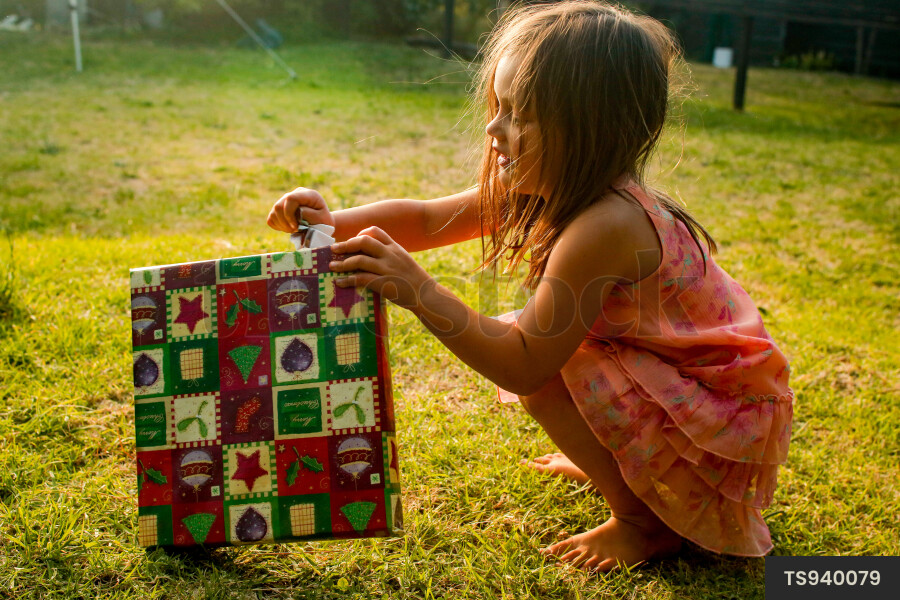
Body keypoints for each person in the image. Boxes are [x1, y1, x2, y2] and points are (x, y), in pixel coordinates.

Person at [266, 0, 793, 572]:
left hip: (718, 417)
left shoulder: (606, 225)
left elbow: (522, 366)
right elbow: (423, 219)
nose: (494, 127)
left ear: (591, 126)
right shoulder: (559, 184)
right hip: (681, 384)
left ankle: (643, 524)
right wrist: (329, 221)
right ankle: (619, 465)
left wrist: (419, 291)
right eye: (498, 105)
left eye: (519, 113)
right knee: (563, 349)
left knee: (549, 358)